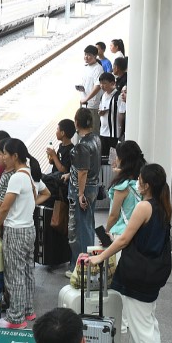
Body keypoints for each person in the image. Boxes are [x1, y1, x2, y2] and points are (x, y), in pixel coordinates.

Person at [87, 163, 172, 343]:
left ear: (146, 184)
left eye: (139, 180)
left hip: (137, 276)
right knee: (148, 326)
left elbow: (124, 239)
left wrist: (101, 257)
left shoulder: (144, 206)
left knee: (140, 329)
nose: (136, 183)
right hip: (151, 274)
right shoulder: (163, 205)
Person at [0, 139, 49, 330]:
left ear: (15, 156)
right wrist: (28, 205)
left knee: (14, 275)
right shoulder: (30, 175)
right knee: (27, 271)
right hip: (29, 229)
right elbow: (45, 193)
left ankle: (15, 318)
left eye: (5, 153)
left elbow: (5, 206)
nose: (3, 157)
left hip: (15, 231)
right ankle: (28, 310)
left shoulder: (16, 177)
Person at [68, 108, 102, 262]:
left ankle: (82, 264)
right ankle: (88, 260)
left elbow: (83, 171)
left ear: (76, 123)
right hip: (93, 187)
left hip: (84, 189)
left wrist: (80, 194)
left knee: (81, 229)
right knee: (88, 224)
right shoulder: (95, 138)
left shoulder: (82, 145)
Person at [103, 140, 147, 240]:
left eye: (117, 156)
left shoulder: (121, 187)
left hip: (123, 234)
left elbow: (114, 216)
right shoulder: (143, 182)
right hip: (140, 232)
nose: (116, 159)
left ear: (123, 159)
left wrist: (107, 231)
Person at [43, 120, 75, 203]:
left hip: (60, 180)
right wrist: (51, 159)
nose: (56, 132)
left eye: (57, 129)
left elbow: (63, 169)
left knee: (41, 178)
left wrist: (53, 155)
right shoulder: (61, 146)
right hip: (55, 175)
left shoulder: (71, 149)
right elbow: (56, 163)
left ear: (62, 133)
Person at [79, 45, 105, 125]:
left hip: (92, 106)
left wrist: (86, 99)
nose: (86, 57)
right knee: (83, 128)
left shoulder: (98, 68)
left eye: (89, 55)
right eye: (85, 54)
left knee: (92, 129)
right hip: (84, 103)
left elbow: (97, 86)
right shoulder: (86, 67)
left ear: (95, 56)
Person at [97, 72, 120, 157]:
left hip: (113, 134)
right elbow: (100, 108)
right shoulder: (103, 96)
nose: (102, 85)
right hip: (103, 132)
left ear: (112, 83)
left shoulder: (118, 96)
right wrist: (100, 112)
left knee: (112, 158)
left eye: (104, 83)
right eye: (101, 83)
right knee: (103, 156)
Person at [113, 56, 129, 141]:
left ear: (117, 67)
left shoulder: (126, 79)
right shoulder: (117, 80)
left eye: (113, 66)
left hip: (124, 112)